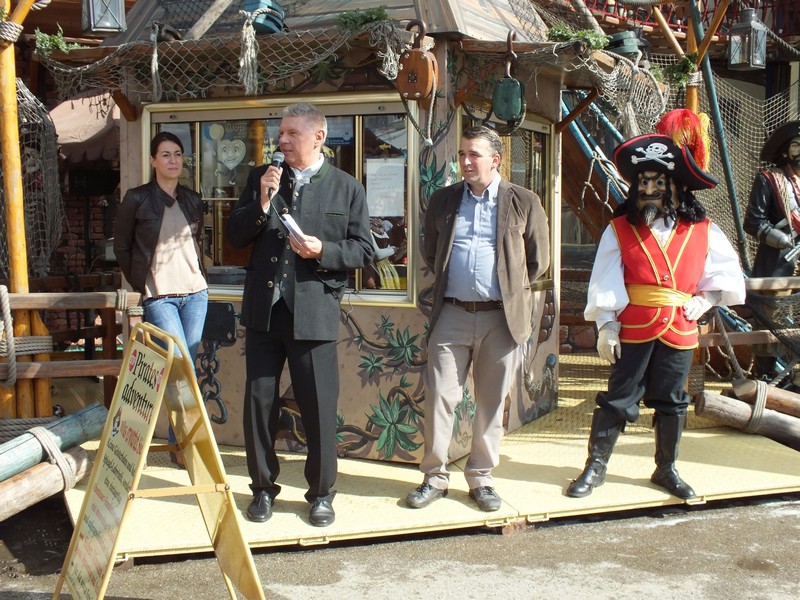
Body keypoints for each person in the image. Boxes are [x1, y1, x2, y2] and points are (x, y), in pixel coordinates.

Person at [567, 132, 746, 500]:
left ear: (676, 187)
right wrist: (606, 325)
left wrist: (707, 298)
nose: (649, 189)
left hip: (680, 326)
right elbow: (605, 278)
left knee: (672, 401)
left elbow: (726, 275)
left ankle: (666, 468)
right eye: (643, 182)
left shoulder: (703, 230)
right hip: (633, 326)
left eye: (658, 182)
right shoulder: (619, 229)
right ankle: (595, 467)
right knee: (618, 398)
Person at [227, 103, 373, 527]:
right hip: (264, 314)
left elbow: (363, 251)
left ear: (318, 137)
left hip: (314, 312)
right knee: (259, 405)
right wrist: (260, 202)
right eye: (281, 133)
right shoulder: (261, 178)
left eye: (291, 133)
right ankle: (262, 489)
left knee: (318, 408)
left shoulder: (346, 187)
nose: (282, 141)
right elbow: (236, 235)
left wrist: (322, 251)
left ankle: (321, 494)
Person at [405, 125, 550, 512]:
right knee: (440, 397)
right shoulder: (444, 200)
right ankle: (434, 476)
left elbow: (538, 260)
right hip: (451, 313)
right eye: (462, 155)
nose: (466, 162)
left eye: (474, 155)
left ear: (495, 160)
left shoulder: (523, 200)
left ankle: (481, 478)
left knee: (490, 401)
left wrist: (506, 288)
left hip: (500, 320)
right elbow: (430, 251)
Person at [113, 131, 208, 467]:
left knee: (187, 369)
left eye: (178, 154)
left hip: (196, 294)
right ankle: (184, 445)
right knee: (180, 367)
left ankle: (179, 443)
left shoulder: (192, 199)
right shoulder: (137, 199)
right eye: (165, 154)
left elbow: (198, 245)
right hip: (160, 298)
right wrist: (142, 282)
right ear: (153, 160)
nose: (173, 160)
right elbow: (121, 247)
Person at [743, 121, 800, 378]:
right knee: (770, 319)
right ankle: (766, 376)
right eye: (797, 145)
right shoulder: (769, 179)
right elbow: (753, 221)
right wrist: (781, 239)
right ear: (786, 150)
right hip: (779, 260)